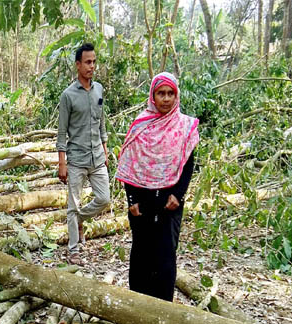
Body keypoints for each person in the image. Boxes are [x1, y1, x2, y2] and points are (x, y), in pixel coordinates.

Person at [115, 72, 199, 302]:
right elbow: (129, 163)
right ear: (153, 96)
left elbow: (188, 165)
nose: (166, 99)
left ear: (176, 95)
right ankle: (139, 305)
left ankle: (163, 308)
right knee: (142, 251)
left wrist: (178, 195)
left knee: (165, 253)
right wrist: (131, 200)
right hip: (142, 199)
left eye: (170, 93)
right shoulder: (140, 126)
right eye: (161, 93)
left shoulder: (184, 127)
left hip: (170, 200)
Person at [57, 43, 111, 266]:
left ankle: (79, 219)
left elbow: (101, 124)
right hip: (77, 158)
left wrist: (106, 150)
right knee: (73, 204)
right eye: (88, 62)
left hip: (97, 156)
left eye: (94, 61)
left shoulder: (99, 90)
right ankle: (73, 250)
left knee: (104, 198)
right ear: (78, 65)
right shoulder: (67, 96)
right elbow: (62, 132)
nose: (92, 66)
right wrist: (62, 163)